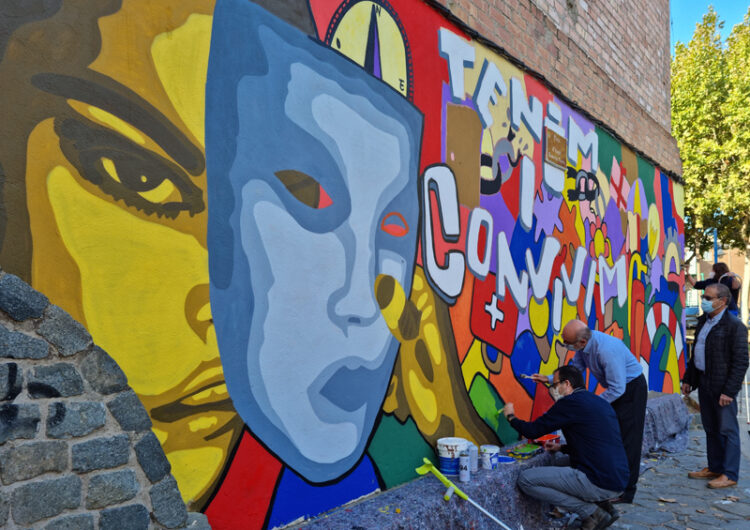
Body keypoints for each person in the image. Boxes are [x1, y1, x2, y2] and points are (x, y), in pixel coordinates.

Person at [531, 319, 647, 503]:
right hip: (617, 388)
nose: (566, 347)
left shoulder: (606, 350)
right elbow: (575, 370)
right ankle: (606, 479)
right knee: (609, 434)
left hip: (630, 389)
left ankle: (626, 491)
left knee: (628, 439)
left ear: (582, 342)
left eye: (568, 344)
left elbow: (618, 389)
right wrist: (548, 378)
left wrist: (591, 405)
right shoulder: (584, 347)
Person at [504, 365, 628, 530]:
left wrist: (511, 417)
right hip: (618, 478)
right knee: (558, 463)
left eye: (555, 385)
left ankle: (591, 512)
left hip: (599, 480)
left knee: (526, 480)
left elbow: (532, 431)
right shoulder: (598, 401)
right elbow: (597, 441)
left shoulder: (570, 403)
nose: (553, 389)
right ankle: (605, 506)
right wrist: (562, 448)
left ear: (567, 384)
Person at [681, 282, 749, 489]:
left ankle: (730, 474)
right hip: (704, 381)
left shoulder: (734, 326)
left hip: (722, 386)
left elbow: (741, 361)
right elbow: (697, 354)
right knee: (711, 428)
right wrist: (689, 379)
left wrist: (729, 391)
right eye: (704, 297)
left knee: (727, 430)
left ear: (723, 301)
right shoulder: (704, 321)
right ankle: (715, 467)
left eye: (708, 298)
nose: (704, 301)